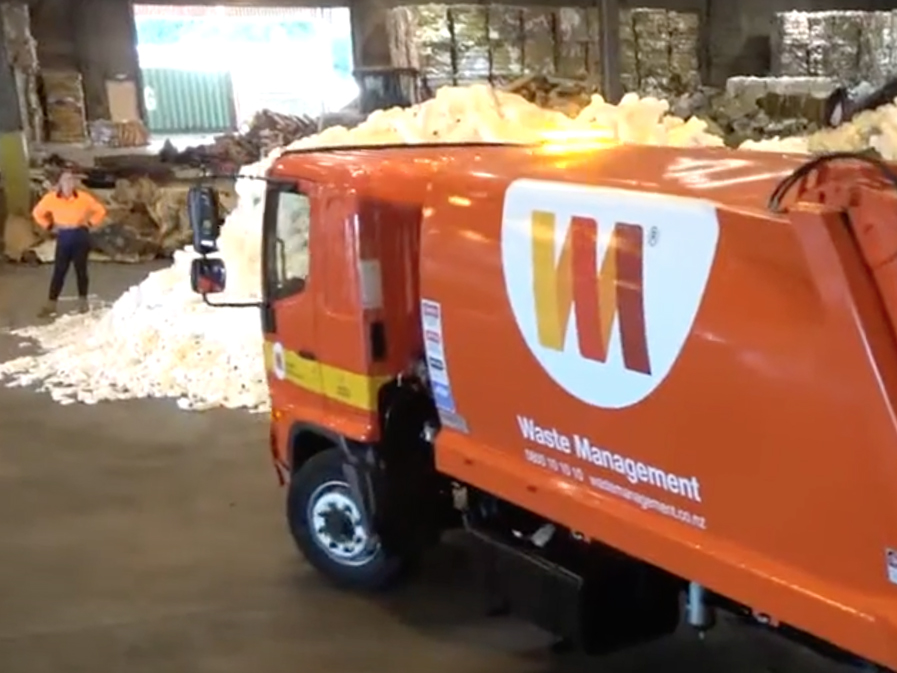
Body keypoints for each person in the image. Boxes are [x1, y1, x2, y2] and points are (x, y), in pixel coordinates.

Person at [31, 168, 107, 317]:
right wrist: (49, 225)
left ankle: (83, 303)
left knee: (81, 271)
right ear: (59, 183)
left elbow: (100, 210)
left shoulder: (84, 198)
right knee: (59, 271)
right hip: (64, 236)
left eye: (71, 180)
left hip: (80, 235)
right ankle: (51, 304)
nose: (69, 183)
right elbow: (37, 213)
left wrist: (90, 223)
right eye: (65, 180)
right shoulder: (51, 199)